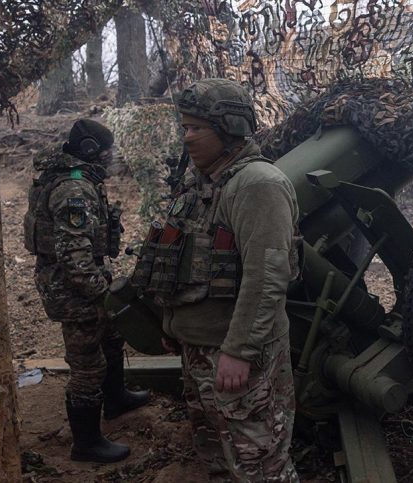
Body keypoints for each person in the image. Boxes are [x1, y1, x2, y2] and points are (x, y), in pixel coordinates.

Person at [130, 78, 301, 482]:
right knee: (218, 460)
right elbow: (184, 260)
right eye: (184, 127)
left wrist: (240, 351)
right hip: (199, 350)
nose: (186, 137)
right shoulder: (202, 182)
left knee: (260, 467)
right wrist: (172, 324)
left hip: (237, 355)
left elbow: (266, 277)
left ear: (229, 129)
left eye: (196, 128)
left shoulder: (257, 185)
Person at [24, 119, 149, 463]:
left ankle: (116, 399)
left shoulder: (76, 178)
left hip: (84, 281)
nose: (111, 156)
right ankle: (86, 443)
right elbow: (74, 255)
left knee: (111, 338)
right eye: (107, 150)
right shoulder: (73, 190)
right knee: (87, 365)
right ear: (91, 150)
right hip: (73, 290)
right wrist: (102, 294)